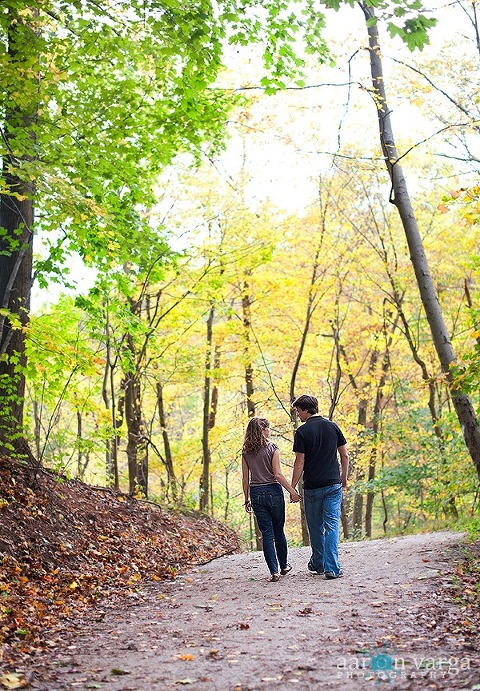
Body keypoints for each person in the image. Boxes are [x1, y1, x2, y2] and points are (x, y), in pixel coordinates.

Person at [290, 394, 349, 580]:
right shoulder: (333, 426)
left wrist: (292, 487)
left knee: (315, 527)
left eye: (298, 411)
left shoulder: (302, 432)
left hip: (313, 486)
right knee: (332, 525)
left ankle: (319, 563)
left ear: (306, 409)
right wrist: (343, 477)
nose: (298, 415)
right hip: (333, 484)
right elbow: (345, 456)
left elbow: (299, 462)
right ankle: (331, 568)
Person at [242, 416, 301, 582]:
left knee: (266, 533)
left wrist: (247, 498)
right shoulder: (273, 448)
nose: (269, 431)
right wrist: (292, 491)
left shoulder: (246, 452)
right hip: (273, 491)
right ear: (263, 430)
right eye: (267, 428)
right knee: (278, 530)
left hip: (256, 493)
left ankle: (274, 571)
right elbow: (278, 474)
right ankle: (284, 566)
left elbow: (245, 479)